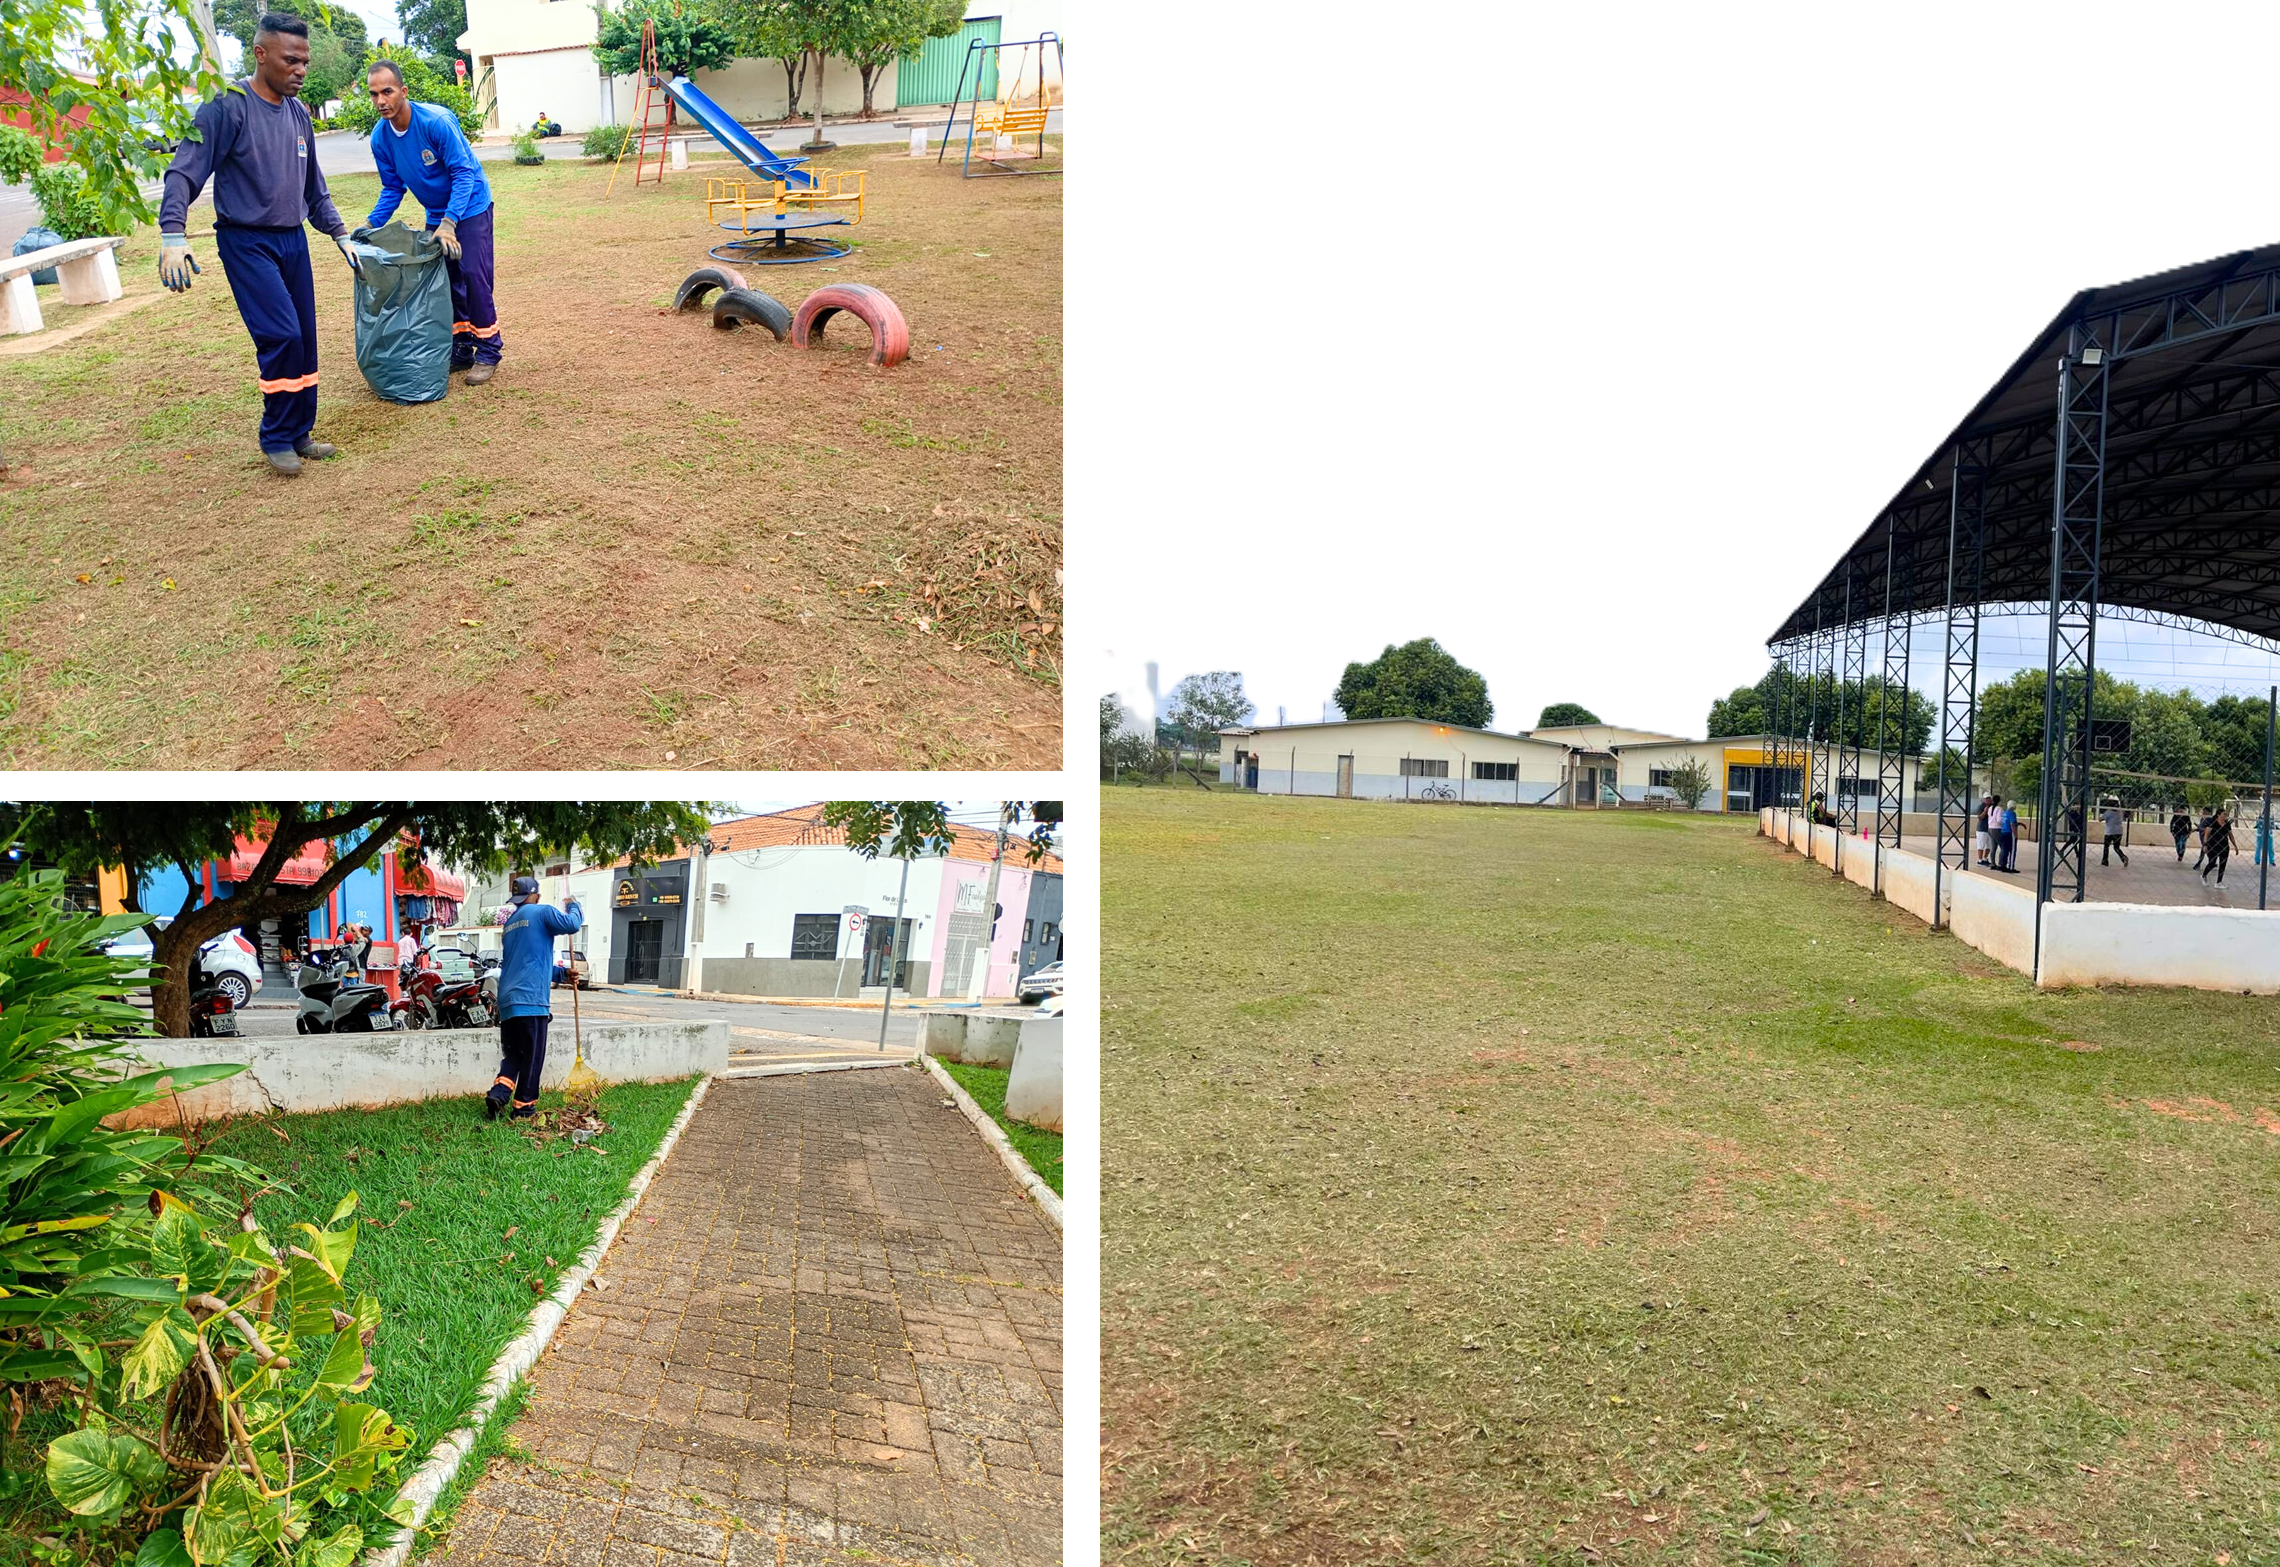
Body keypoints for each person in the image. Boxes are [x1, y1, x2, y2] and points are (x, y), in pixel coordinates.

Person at [156, 11, 354, 476]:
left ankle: (300, 431)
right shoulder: (226, 105)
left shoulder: (298, 113)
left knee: (304, 337)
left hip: (292, 239)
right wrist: (172, 233)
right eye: (291, 60)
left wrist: (341, 235)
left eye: (304, 61)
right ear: (260, 54)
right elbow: (185, 169)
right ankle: (275, 436)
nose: (301, 70)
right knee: (280, 334)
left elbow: (314, 187)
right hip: (246, 241)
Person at [363, 60, 503, 384]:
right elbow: (393, 186)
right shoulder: (380, 138)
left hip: (470, 207)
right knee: (444, 280)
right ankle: (461, 346)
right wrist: (371, 224)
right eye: (374, 94)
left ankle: (489, 349)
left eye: (388, 91)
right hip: (437, 215)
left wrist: (450, 222)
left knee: (472, 275)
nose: (381, 101)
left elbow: (463, 173)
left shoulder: (435, 122)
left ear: (403, 91)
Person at [489, 875, 583, 1120]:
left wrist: (562, 974)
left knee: (514, 1055)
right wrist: (573, 904)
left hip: (508, 1001)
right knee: (531, 1058)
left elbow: (530, 962)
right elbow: (573, 924)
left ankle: (499, 1093)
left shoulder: (509, 925)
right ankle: (524, 1108)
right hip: (531, 1001)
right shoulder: (542, 912)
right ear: (536, 896)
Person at [2203, 808, 2237, 886]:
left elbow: (2231, 836)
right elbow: (2206, 834)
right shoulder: (2213, 822)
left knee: (2223, 864)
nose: (2226, 816)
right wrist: (2205, 845)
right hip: (2213, 845)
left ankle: (2218, 882)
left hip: (2224, 846)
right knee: (2212, 862)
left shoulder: (2227, 824)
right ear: (2218, 815)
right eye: (2224, 814)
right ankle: (2204, 875)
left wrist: (2235, 846)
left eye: (2226, 814)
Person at [2100, 799, 2130, 867]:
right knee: (2116, 847)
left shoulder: (2108, 812)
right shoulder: (2120, 812)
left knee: (2106, 847)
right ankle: (2123, 857)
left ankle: (2105, 861)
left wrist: (2102, 817)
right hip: (2119, 832)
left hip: (2109, 832)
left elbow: (2100, 819)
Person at [1996, 797, 2019, 873]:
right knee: (2012, 850)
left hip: (2003, 832)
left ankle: (2002, 865)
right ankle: (2011, 867)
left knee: (2004, 850)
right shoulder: (2012, 813)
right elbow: (2012, 824)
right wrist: (2015, 834)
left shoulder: (2005, 813)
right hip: (2010, 833)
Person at [1977, 794, 1995, 867]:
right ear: (1984, 799)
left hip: (1990, 829)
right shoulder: (1981, 807)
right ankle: (1980, 860)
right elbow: (1980, 818)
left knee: (1989, 845)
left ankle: (1985, 858)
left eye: (1989, 798)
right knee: (1981, 845)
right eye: (1986, 798)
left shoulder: (1992, 806)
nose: (1988, 800)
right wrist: (1985, 811)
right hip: (1982, 829)